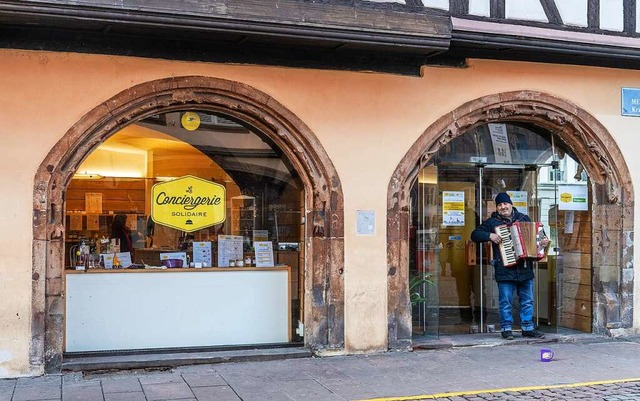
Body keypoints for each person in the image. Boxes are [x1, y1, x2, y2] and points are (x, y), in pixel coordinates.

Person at [471, 193, 550, 340]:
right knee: (505, 301)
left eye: (505, 204)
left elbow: (540, 236)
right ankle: (506, 328)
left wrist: (544, 241)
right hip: (505, 268)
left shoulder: (524, 218)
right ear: (497, 207)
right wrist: (490, 236)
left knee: (527, 300)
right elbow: (475, 235)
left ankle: (528, 328)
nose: (503, 207)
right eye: (500, 205)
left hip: (525, 267)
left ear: (511, 204)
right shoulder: (492, 222)